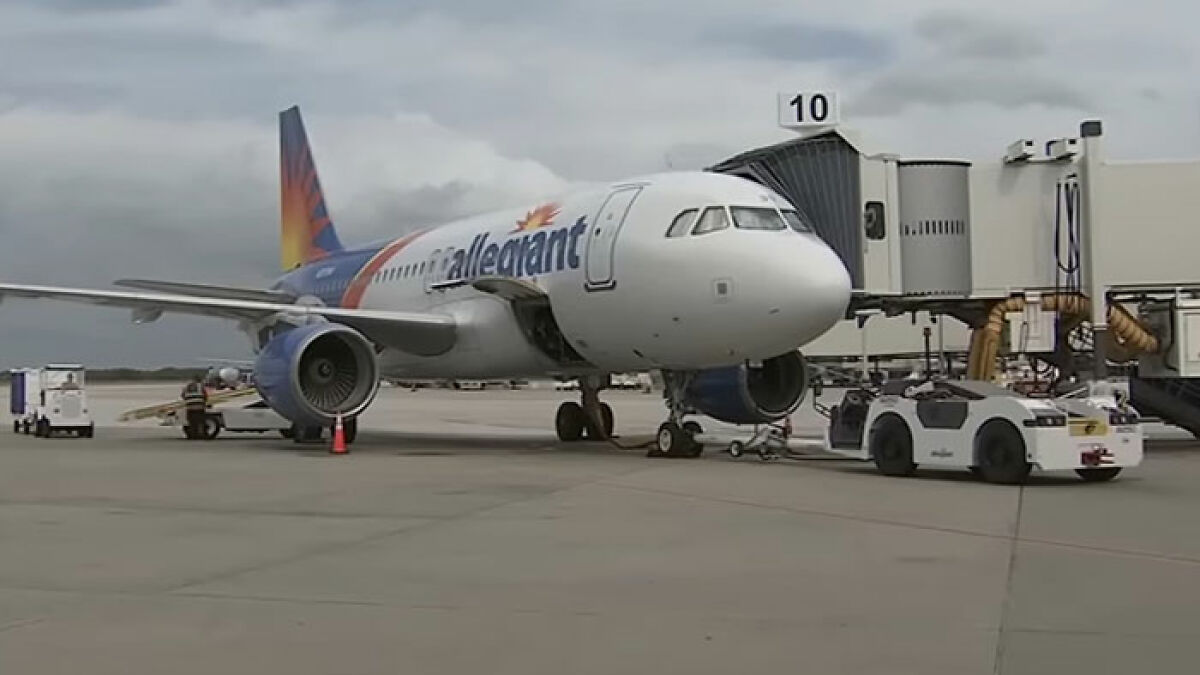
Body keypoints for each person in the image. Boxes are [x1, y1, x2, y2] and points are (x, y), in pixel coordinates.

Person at [181, 375, 208, 440]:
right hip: (199, 407)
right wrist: (204, 402)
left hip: (190, 407)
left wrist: (188, 401)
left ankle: (193, 436)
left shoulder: (186, 386)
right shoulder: (200, 386)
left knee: (192, 422)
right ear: (199, 380)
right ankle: (202, 435)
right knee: (201, 422)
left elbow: (183, 395)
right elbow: (205, 396)